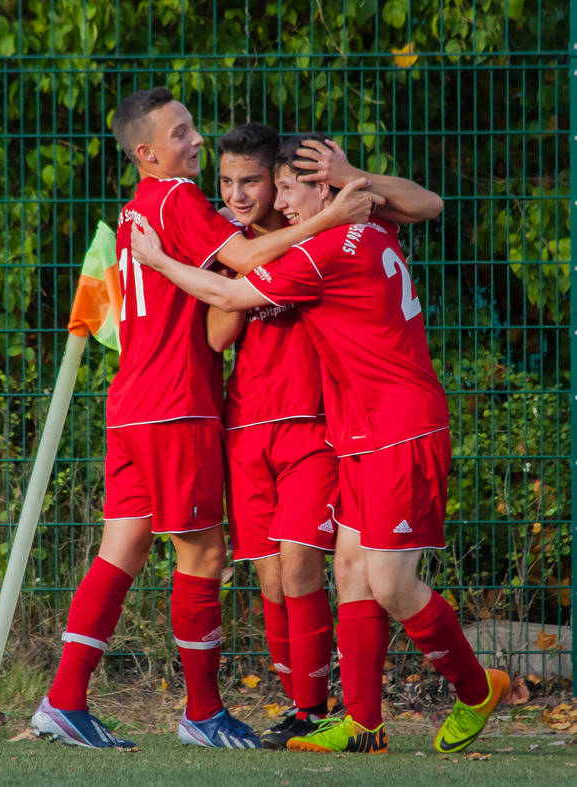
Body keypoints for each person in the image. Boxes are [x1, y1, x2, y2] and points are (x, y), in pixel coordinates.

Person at [128, 134, 509, 755]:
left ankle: (475, 689)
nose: (277, 200)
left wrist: (161, 260)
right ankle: (363, 723)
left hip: (398, 425)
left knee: (387, 582)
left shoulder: (324, 248)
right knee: (352, 571)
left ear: (325, 188)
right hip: (360, 426)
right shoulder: (355, 230)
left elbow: (227, 297)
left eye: (285, 188)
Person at [31, 90, 380, 750]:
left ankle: (64, 699)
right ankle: (204, 711)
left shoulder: (135, 207)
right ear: (147, 153)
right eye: (181, 131)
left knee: (120, 553)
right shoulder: (173, 200)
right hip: (176, 405)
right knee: (206, 554)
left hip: (130, 406)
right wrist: (329, 215)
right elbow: (247, 261)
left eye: (193, 127)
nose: (195, 140)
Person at [210, 125, 445, 748]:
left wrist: (345, 183)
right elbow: (218, 332)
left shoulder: (339, 237)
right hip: (277, 428)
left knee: (318, 572)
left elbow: (430, 204)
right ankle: (338, 714)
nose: (245, 195)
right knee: (294, 576)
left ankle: (343, 707)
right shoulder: (265, 241)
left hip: (330, 425)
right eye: (228, 183)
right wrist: (259, 248)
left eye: (262, 183)